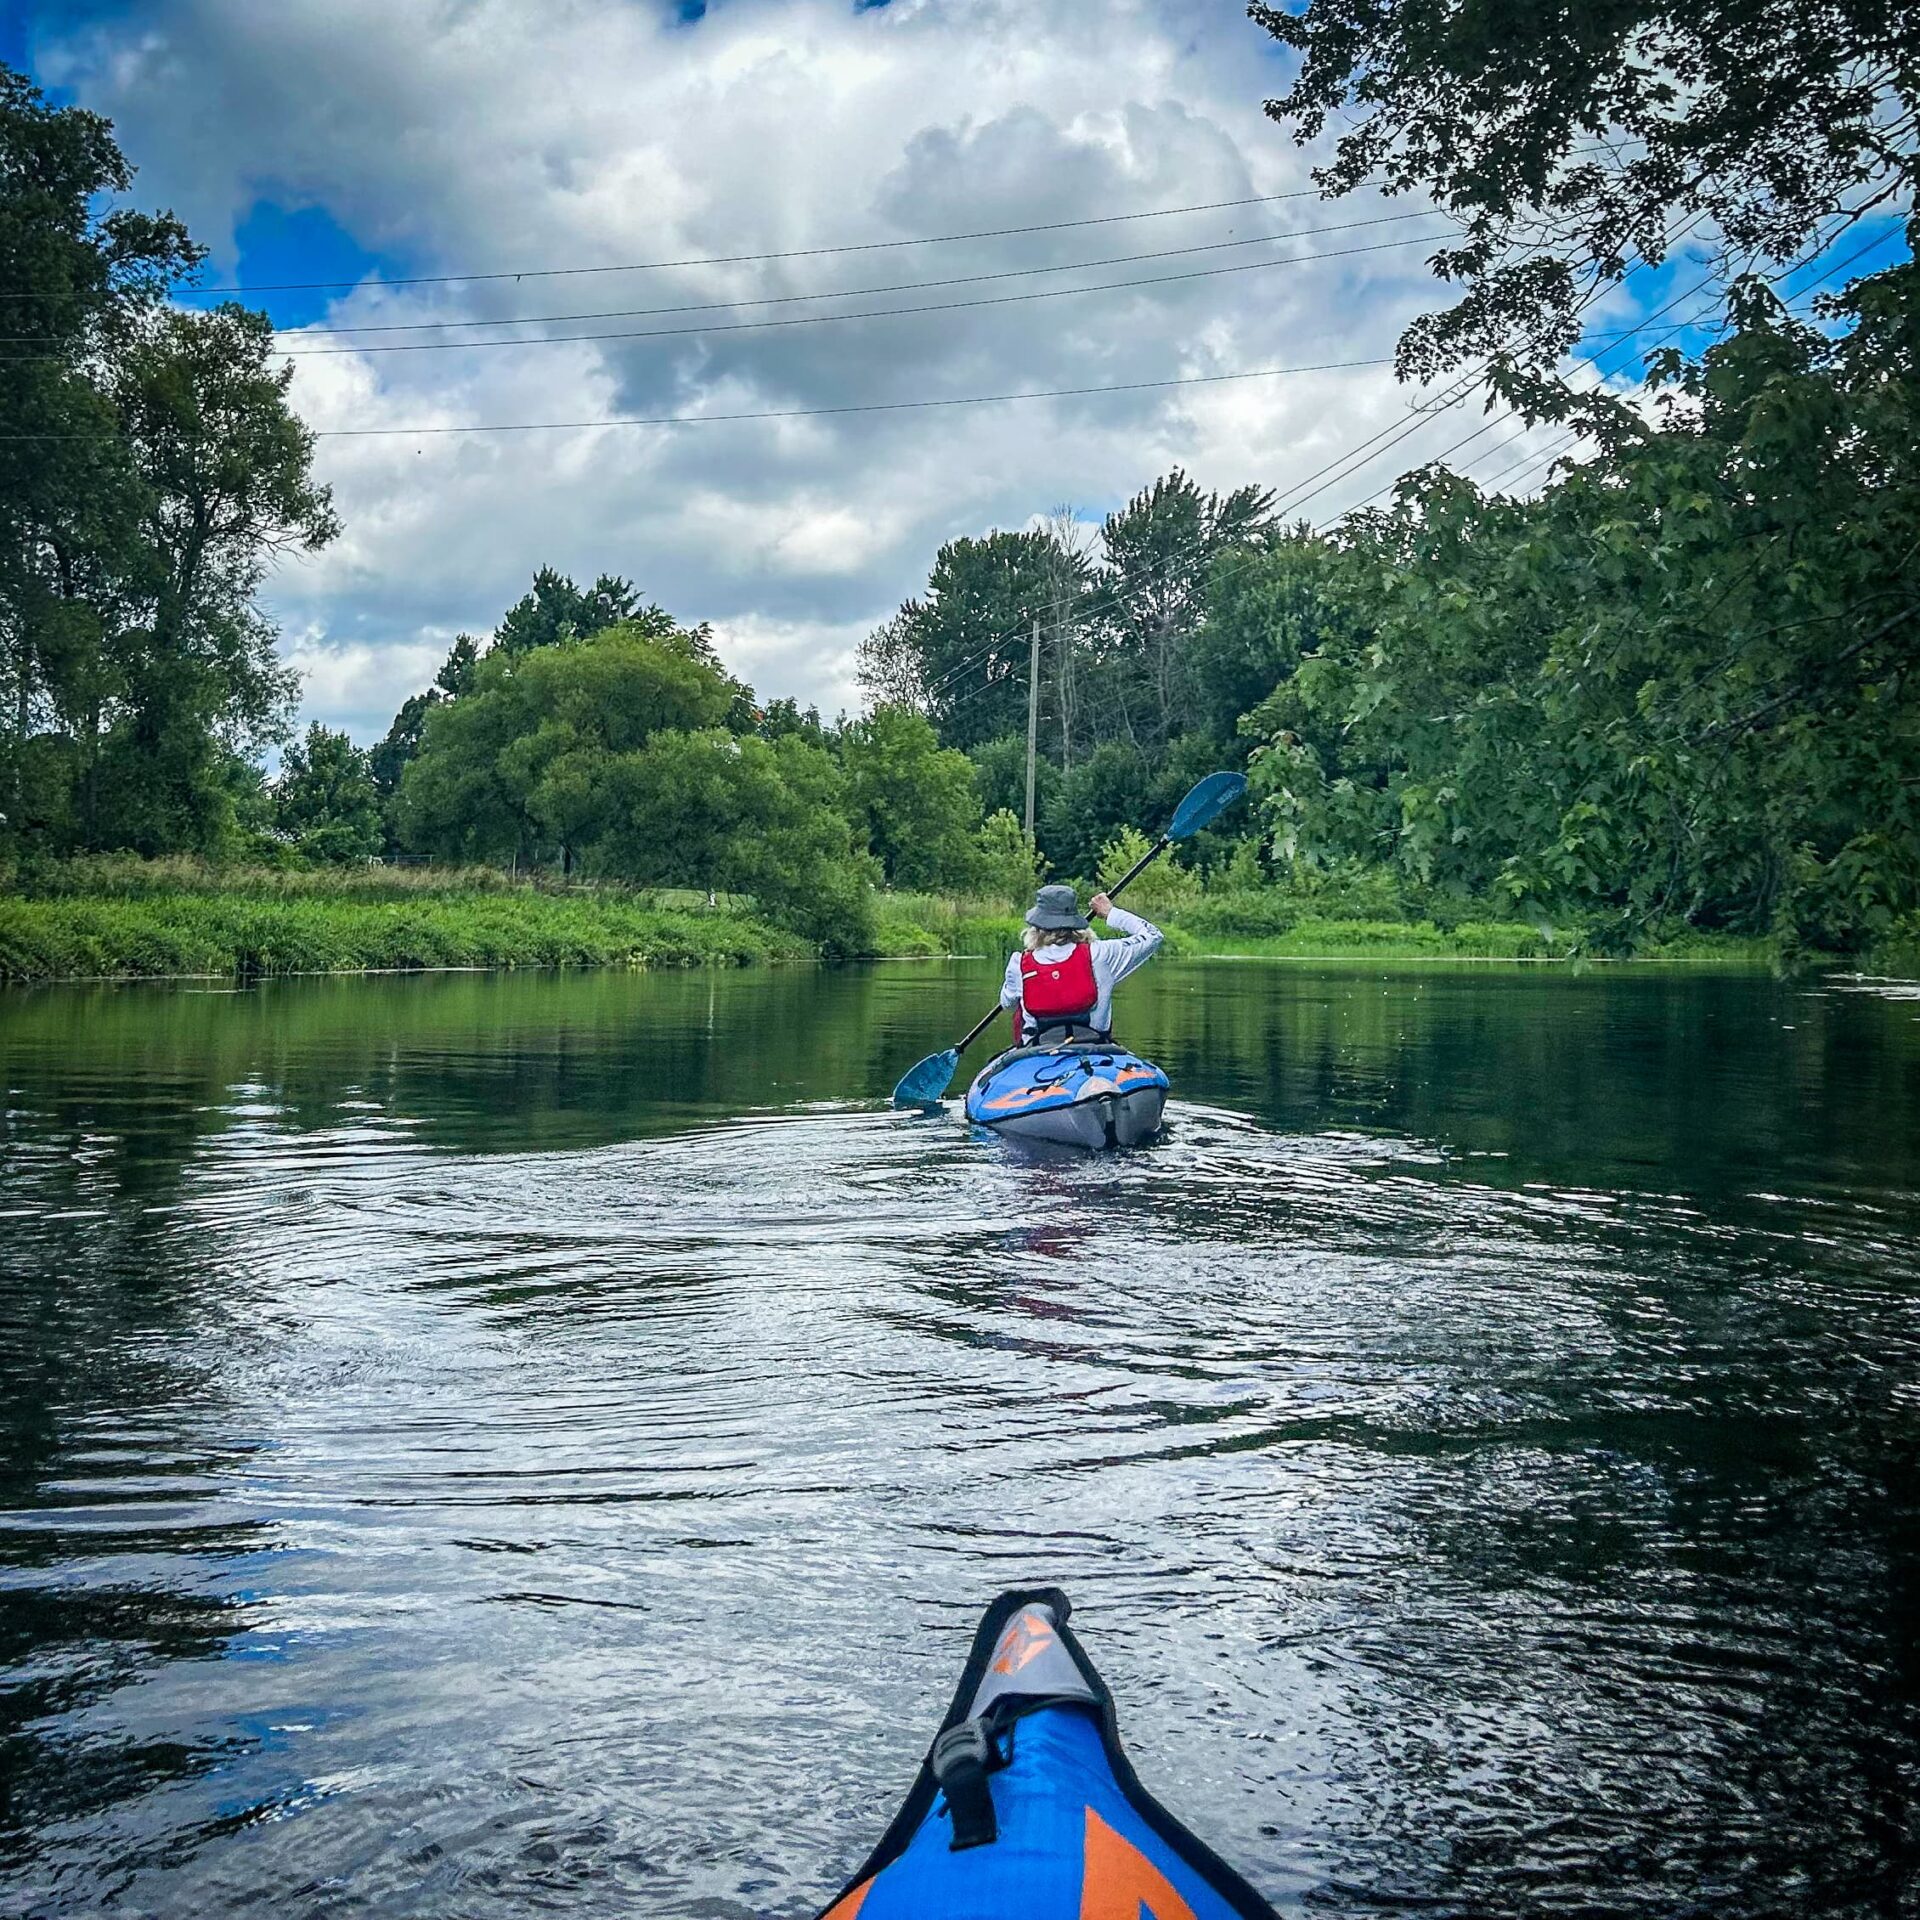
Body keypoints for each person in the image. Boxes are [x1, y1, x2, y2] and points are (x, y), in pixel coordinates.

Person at [1000, 883, 1163, 1048]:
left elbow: (1007, 1003)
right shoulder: (1101, 954)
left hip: (1037, 1051)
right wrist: (1110, 913)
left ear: (1036, 924)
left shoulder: (1018, 963)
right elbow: (1153, 936)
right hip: (1095, 1048)